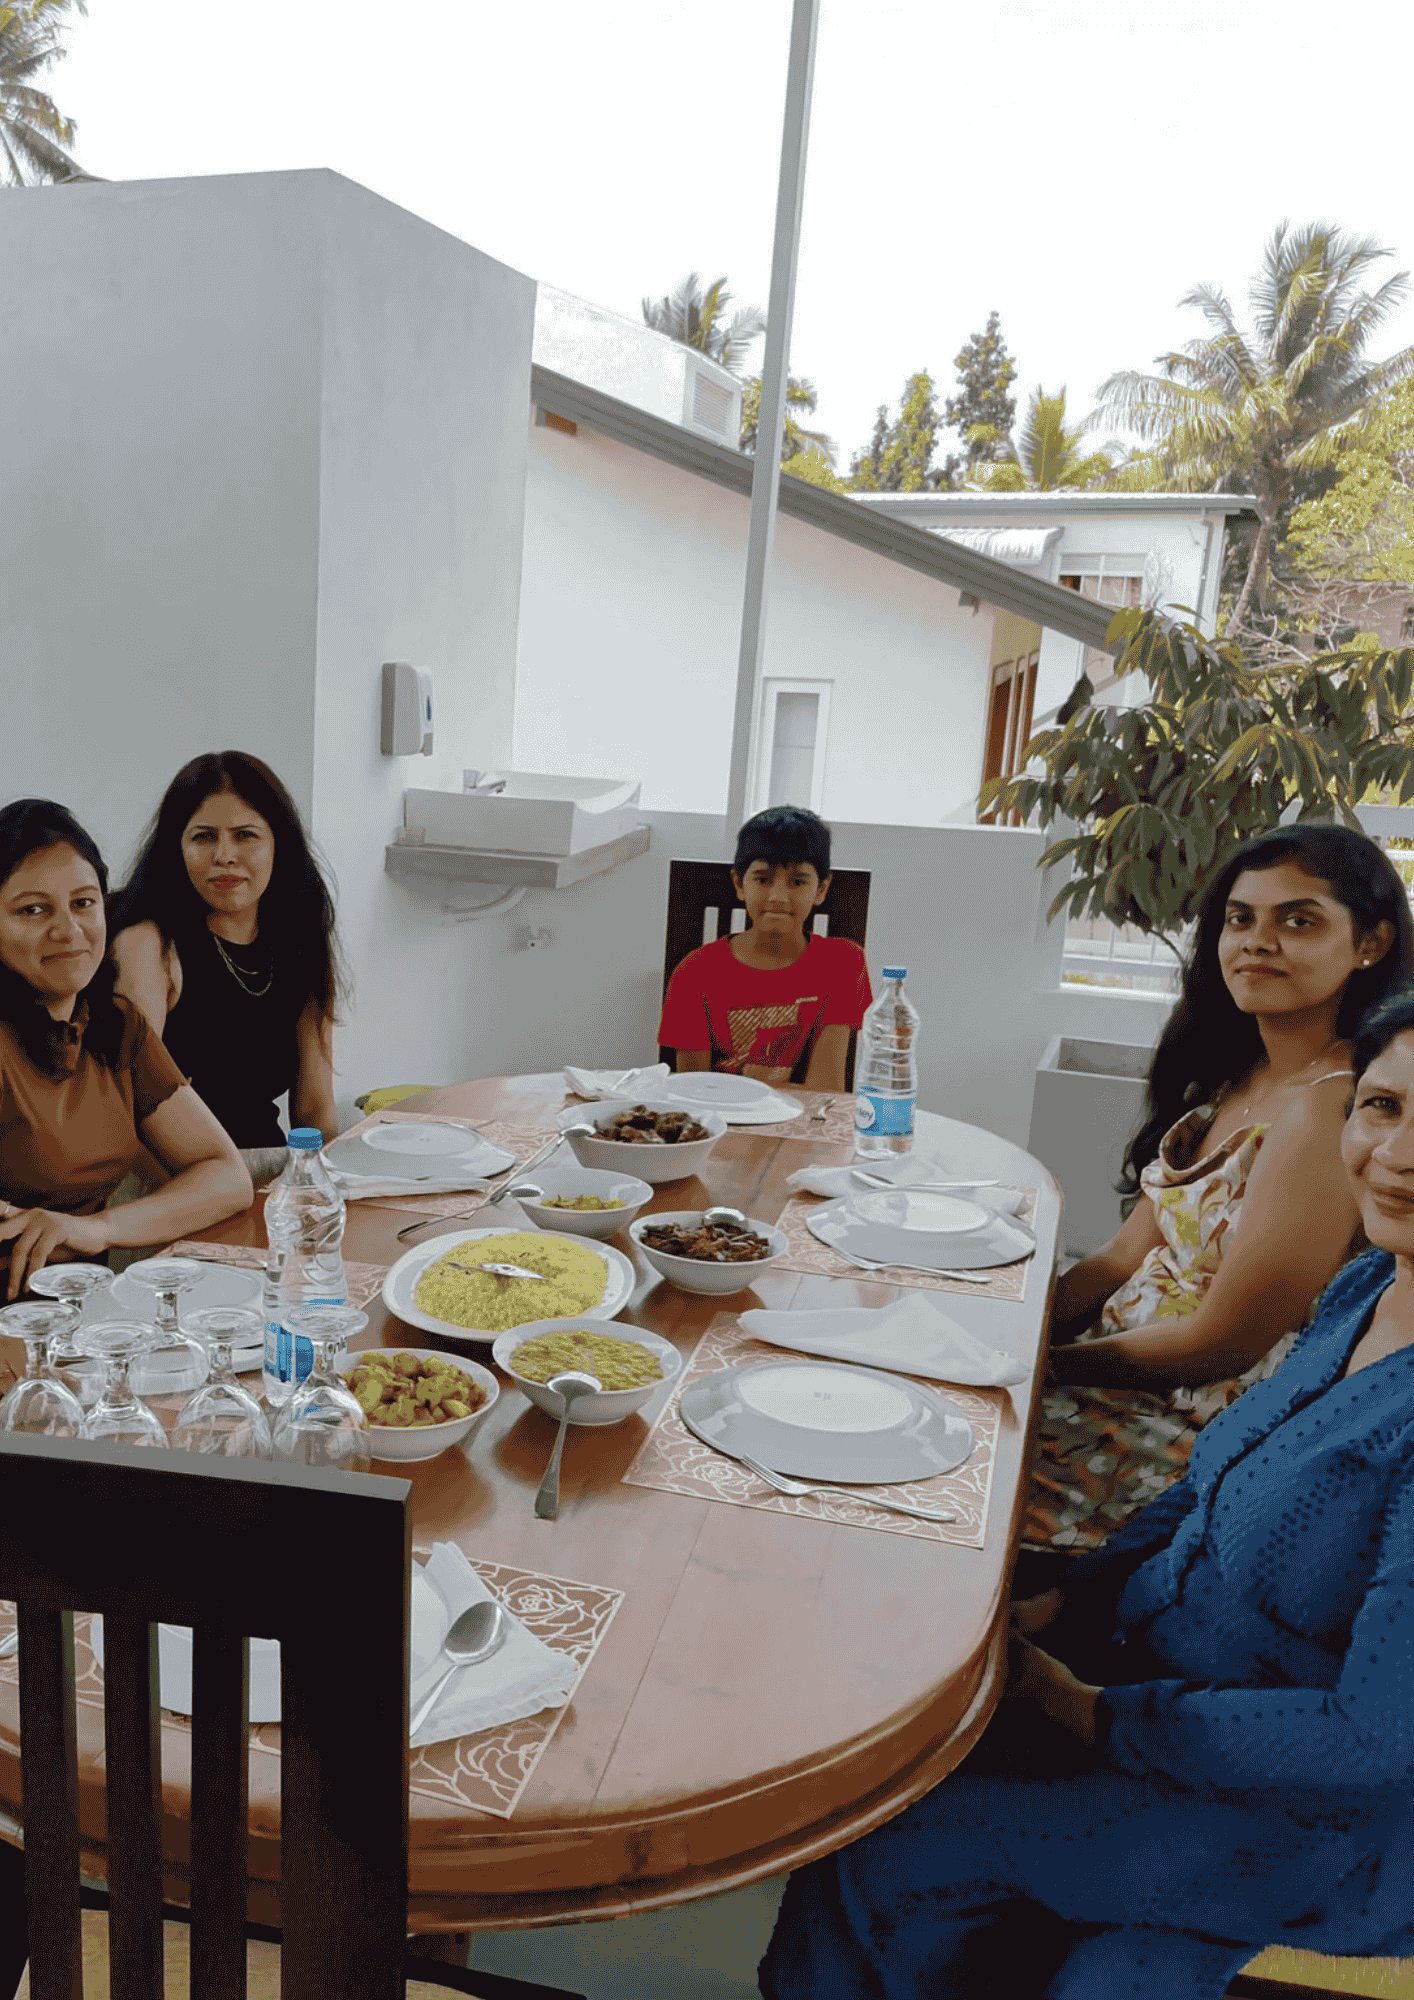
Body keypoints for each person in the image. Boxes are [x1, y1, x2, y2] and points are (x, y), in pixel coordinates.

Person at [760, 986, 1414, 2000]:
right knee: (889, 1793)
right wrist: (1069, 1600)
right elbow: (1205, 1487)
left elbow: (1369, 1744)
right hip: (1157, 1686)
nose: (1397, 1151)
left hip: (1302, 1820)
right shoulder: (1368, 1287)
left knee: (891, 1842)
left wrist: (1093, 1715)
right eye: (1382, 1106)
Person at [1027, 821, 1414, 1552]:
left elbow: (1221, 1344)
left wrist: (1038, 1369)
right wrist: (1019, 1332)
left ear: (1371, 944)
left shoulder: (1334, 1107)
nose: (1257, 942)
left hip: (1185, 1428)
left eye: (1298, 921)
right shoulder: (1239, 1074)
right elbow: (1118, 1257)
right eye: (1241, 919)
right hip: (1114, 1379)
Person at [0, 799, 253, 1301]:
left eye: (83, 903)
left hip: (84, 1319)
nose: (68, 931)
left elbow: (226, 1176)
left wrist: (98, 1228)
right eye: (33, 910)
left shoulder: (115, 1025)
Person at [110, 752, 344, 1172]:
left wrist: (326, 1195)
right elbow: (128, 1110)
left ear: (278, 843)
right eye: (203, 837)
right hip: (169, 1178)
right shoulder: (150, 944)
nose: (224, 855)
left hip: (268, 1171)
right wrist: (202, 1202)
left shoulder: (300, 940)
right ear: (176, 848)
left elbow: (315, 1110)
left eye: (245, 835)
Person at [657, 806, 872, 1095]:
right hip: (723, 1124)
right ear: (739, 884)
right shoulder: (694, 973)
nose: (778, 897)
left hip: (802, 1127)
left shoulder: (844, 962)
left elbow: (825, 1091)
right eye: (762, 879)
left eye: (797, 882)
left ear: (821, 889)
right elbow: (695, 1095)